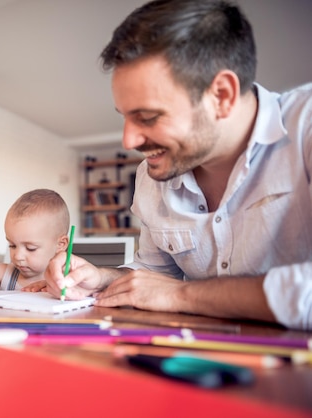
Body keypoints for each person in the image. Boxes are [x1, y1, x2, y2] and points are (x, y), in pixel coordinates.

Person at [44, 0, 312, 330]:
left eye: (148, 117)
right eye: (126, 118)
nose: (128, 141)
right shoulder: (152, 176)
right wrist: (101, 279)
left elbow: (171, 292)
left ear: (222, 96)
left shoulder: (306, 129)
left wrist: (184, 296)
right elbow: (155, 277)